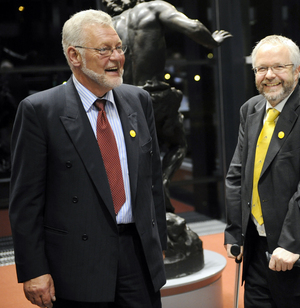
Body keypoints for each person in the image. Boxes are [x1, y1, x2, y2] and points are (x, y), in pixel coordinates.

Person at [9, 9, 167, 308]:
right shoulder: (40, 111)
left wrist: (158, 242)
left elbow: (152, 181)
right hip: (76, 265)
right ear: (75, 55)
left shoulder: (138, 99)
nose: (117, 57)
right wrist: (34, 269)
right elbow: (26, 201)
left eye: (119, 47)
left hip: (138, 259)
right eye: (104, 49)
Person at [224, 35, 300, 308]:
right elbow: (237, 176)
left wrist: (290, 244)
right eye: (261, 69)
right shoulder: (251, 109)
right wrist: (235, 232)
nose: (270, 76)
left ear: (297, 70)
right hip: (257, 250)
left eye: (279, 67)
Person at [103, 0, 232, 212]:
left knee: (128, 156)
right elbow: (193, 27)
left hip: (122, 98)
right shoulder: (153, 8)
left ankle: (134, 204)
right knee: (177, 144)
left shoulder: (110, 23)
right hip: (153, 96)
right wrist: (213, 41)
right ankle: (161, 183)